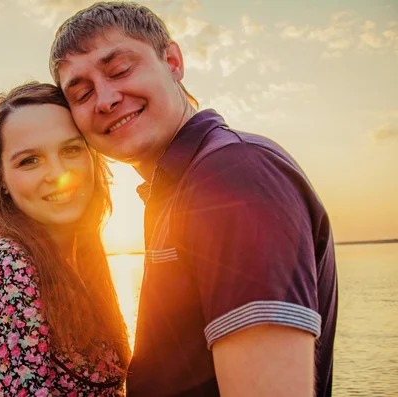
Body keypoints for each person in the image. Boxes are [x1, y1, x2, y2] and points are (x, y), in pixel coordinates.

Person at [50, 3, 338, 397]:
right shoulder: (180, 189)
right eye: (81, 94)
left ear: (172, 61)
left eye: (120, 70)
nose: (105, 99)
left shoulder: (232, 176)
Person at [0, 82, 130, 396]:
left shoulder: (79, 259)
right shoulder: (5, 265)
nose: (58, 173)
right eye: (29, 161)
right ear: (1, 178)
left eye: (71, 149)